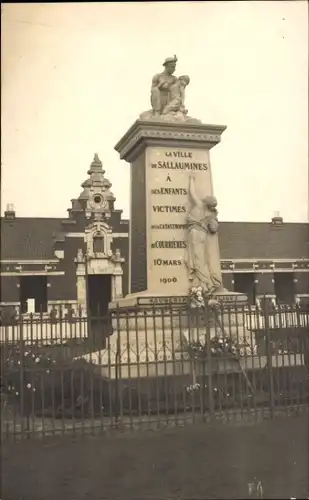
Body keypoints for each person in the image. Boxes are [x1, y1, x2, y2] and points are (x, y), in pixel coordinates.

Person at [185, 173, 222, 295]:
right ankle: (205, 283)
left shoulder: (200, 205)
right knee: (200, 258)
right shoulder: (210, 214)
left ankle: (206, 283)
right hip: (202, 235)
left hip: (196, 233)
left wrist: (191, 179)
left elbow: (192, 193)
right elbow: (213, 228)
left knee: (198, 259)